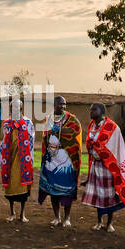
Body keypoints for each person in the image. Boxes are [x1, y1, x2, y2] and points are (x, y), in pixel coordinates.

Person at [81, 104, 125, 231]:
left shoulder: (112, 127)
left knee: (109, 195)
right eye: (90, 109)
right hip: (96, 165)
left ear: (102, 111)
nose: (90, 111)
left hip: (108, 167)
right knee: (99, 195)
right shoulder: (91, 126)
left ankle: (109, 223)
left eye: (94, 109)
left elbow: (116, 146)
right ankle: (99, 222)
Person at [38, 95, 81, 228]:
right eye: (60, 104)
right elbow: (45, 136)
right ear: (54, 105)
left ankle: (67, 218)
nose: (63, 106)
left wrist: (60, 131)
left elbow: (76, 130)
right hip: (51, 157)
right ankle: (57, 217)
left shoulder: (72, 119)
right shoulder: (49, 119)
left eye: (64, 104)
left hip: (66, 158)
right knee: (53, 189)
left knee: (67, 189)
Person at [0, 94, 35, 223]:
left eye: (17, 106)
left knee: (23, 187)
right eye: (12, 107)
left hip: (23, 161)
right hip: (10, 159)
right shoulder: (7, 123)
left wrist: (28, 158)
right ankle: (12, 212)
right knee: (10, 185)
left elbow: (31, 140)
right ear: (10, 109)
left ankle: (22, 214)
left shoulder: (28, 122)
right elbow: (4, 141)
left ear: (21, 108)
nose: (15, 108)